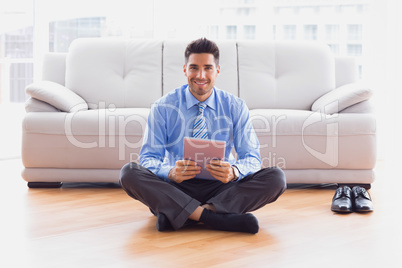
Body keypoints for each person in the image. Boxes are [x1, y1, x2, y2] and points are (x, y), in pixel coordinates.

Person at [119, 38, 286, 234]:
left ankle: (182, 215)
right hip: (178, 187)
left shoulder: (235, 106)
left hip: (222, 188)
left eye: (207, 68)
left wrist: (233, 171)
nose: (200, 75)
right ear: (184, 70)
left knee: (276, 177)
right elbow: (148, 158)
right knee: (128, 172)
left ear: (217, 70)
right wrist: (171, 172)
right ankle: (214, 218)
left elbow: (252, 157)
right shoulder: (163, 107)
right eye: (194, 68)